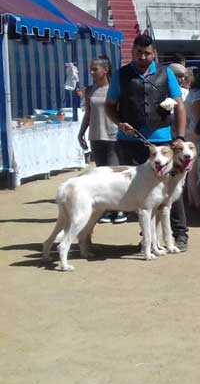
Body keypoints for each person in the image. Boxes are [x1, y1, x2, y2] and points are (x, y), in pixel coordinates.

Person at [105, 34, 189, 251]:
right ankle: (148, 238)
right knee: (140, 193)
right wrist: (119, 122)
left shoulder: (166, 73)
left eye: (147, 53)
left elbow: (179, 105)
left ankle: (179, 235)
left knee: (171, 191)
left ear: (154, 54)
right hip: (130, 141)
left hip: (162, 142)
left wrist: (179, 136)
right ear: (132, 52)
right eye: (138, 53)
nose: (142, 57)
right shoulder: (121, 75)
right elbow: (109, 106)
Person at [77, 57, 125, 224]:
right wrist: (81, 133)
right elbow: (88, 114)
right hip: (96, 135)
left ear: (105, 70)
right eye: (91, 69)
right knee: (101, 174)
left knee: (114, 173)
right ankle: (106, 208)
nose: (91, 72)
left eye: (94, 69)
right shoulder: (90, 90)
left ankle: (119, 209)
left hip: (113, 135)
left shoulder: (115, 89)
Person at [185, 67, 200, 211]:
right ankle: (198, 202)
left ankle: (192, 200)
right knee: (194, 170)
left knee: (191, 170)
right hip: (196, 135)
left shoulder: (192, 93)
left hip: (191, 133)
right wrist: (196, 136)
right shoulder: (199, 95)